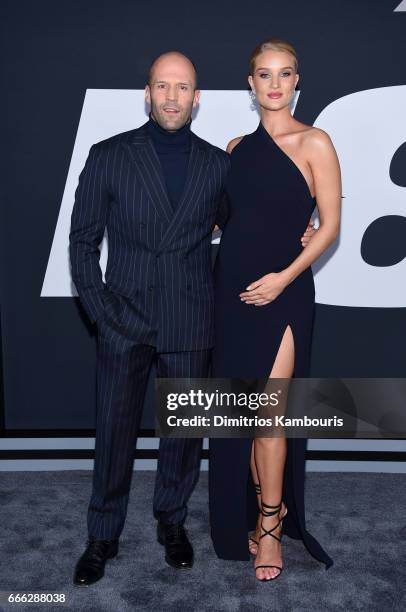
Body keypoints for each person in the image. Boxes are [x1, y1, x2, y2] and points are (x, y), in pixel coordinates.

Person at [69, 50, 316, 586]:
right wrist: (102, 313)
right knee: (114, 431)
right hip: (122, 319)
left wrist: (306, 221)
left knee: (182, 436)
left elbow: (249, 218)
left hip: (190, 317)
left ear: (197, 97)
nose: (173, 97)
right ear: (149, 94)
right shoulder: (108, 155)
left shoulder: (216, 163)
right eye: (163, 87)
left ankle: (172, 523)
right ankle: (102, 536)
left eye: (183, 88)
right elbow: (82, 242)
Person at [209, 38, 341, 582]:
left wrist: (284, 277)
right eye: (264, 74)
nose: (274, 84)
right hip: (232, 296)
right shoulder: (236, 147)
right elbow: (226, 222)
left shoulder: (316, 142)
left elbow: (329, 226)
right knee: (242, 418)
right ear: (251, 83)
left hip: (284, 295)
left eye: (285, 74)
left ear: (296, 83)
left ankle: (270, 527)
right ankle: (262, 507)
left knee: (270, 417)